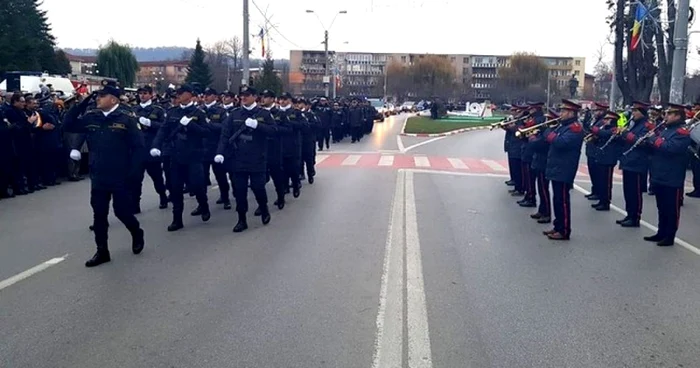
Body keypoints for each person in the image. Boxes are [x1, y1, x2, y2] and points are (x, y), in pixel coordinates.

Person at [63, 84, 145, 268]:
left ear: (113, 100)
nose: (98, 99)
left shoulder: (127, 120)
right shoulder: (92, 117)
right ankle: (102, 251)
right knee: (99, 215)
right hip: (98, 174)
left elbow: (139, 148)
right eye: (97, 96)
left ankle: (136, 232)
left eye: (102, 96)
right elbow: (68, 124)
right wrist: (83, 103)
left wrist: (132, 174)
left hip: (120, 175)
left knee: (122, 212)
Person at [216, 86, 277, 233]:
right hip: (238, 158)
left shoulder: (264, 114)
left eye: (247, 95)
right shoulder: (235, 114)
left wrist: (258, 125)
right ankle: (241, 219)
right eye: (242, 95)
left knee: (258, 187)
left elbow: (274, 132)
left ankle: (264, 208)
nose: (243, 98)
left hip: (257, 158)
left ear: (255, 97)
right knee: (239, 191)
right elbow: (225, 135)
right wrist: (220, 153)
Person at [150, 84, 211, 232]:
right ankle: (177, 219)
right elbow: (163, 130)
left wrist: (191, 125)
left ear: (190, 95)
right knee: (175, 188)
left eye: (182, 93)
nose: (179, 95)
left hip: (194, 155)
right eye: (178, 93)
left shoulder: (199, 113)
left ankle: (203, 205)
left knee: (197, 185)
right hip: (175, 155)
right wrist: (155, 146)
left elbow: (206, 132)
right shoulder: (172, 112)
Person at [644, 103, 692, 246]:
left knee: (671, 209)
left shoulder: (681, 132)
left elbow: (671, 148)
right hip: (659, 173)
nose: (665, 116)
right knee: (661, 207)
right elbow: (658, 147)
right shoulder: (666, 130)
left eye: (669, 114)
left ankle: (669, 236)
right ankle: (661, 232)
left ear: (677, 116)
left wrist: (654, 140)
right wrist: (648, 141)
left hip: (672, 176)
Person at [543, 99, 585, 241]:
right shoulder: (564, 126)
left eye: (563, 111)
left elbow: (561, 143)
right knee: (557, 199)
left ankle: (564, 230)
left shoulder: (575, 128)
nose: (561, 113)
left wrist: (548, 134)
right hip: (557, 167)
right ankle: (557, 226)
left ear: (571, 112)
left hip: (564, 168)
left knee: (563, 201)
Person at [616, 101, 654, 228]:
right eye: (632, 111)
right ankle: (629, 214)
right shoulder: (634, 124)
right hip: (628, 161)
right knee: (628, 191)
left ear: (642, 112)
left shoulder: (647, 125)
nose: (633, 113)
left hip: (638, 162)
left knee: (635, 192)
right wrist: (620, 135)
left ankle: (635, 217)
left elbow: (643, 142)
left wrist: (626, 134)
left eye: (635, 111)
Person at [133, 85, 168, 211]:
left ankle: (163, 196)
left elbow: (164, 127)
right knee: (136, 179)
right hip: (137, 149)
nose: (142, 96)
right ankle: (135, 203)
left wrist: (150, 123)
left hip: (151, 147)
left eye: (145, 93)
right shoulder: (134, 109)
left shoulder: (157, 110)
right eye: (140, 93)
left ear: (151, 95)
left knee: (157, 177)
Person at [587, 110, 622, 211]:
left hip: (609, 159)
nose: (604, 121)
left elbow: (605, 134)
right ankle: (601, 200)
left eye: (607, 119)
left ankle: (605, 202)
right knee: (601, 181)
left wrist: (594, 129)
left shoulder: (614, 129)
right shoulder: (606, 128)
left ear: (612, 120)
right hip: (601, 157)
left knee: (606, 183)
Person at [528, 108, 557, 224]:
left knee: (544, 189)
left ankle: (546, 213)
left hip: (544, 162)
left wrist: (532, 138)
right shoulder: (546, 130)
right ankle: (542, 209)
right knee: (540, 188)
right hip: (539, 161)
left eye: (548, 119)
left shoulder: (551, 131)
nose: (546, 121)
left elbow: (540, 144)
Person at [583, 102, 608, 202]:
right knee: (592, 172)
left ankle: (598, 192)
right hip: (591, 149)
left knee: (597, 174)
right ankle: (594, 191)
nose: (595, 112)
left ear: (602, 111)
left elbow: (600, 133)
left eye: (597, 110)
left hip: (596, 150)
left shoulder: (603, 121)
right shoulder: (595, 120)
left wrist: (593, 133)